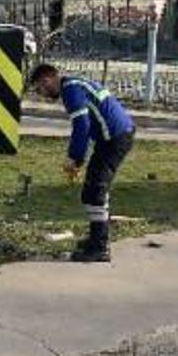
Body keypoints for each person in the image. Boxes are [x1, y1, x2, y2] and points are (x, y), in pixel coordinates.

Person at [28, 64, 136, 263]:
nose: (41, 94)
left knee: (96, 190)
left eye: (39, 88)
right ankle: (96, 239)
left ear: (48, 79)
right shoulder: (74, 84)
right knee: (90, 192)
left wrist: (75, 158)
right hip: (110, 138)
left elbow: (82, 126)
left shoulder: (70, 90)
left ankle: (100, 247)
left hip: (115, 139)